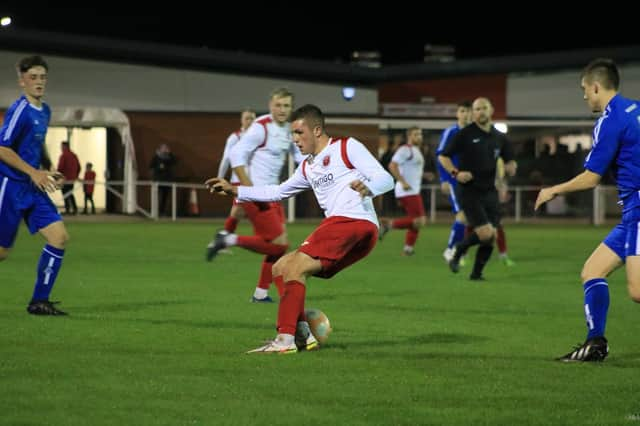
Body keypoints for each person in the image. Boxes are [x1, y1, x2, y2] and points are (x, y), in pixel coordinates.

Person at [205, 104, 394, 353]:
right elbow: (278, 191)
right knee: (280, 267)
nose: (294, 139)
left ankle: (284, 341)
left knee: (294, 267)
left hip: (353, 220)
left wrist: (369, 187)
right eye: (292, 134)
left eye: (299, 133)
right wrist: (236, 189)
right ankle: (304, 334)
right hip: (348, 230)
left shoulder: (346, 147)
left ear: (316, 130)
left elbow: (386, 179)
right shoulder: (308, 166)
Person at [535, 58, 640, 362]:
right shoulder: (635, 108)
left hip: (638, 208)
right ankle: (595, 344)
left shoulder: (610, 120)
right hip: (631, 213)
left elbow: (591, 178)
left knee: (636, 291)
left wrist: (553, 189)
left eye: (585, 90)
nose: (584, 97)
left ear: (596, 87)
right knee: (592, 271)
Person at [205, 88, 305, 303]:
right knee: (279, 245)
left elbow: (299, 156)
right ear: (270, 105)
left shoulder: (291, 129)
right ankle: (228, 239)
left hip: (273, 193)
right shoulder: (261, 127)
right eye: (278, 105)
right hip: (256, 192)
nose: (282, 109)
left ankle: (261, 293)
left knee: (279, 245)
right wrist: (249, 190)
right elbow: (236, 155)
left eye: (286, 106)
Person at [0, 55, 69, 315]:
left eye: (42, 77)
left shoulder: (45, 110)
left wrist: (48, 171)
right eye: (33, 77)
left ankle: (39, 301)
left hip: (32, 187)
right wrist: (33, 172)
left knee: (59, 237)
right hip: (11, 186)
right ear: (22, 81)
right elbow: (2, 148)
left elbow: (35, 145)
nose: (39, 82)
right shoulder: (19, 111)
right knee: (2, 252)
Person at [438, 97, 517, 281]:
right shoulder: (464, 134)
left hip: (490, 191)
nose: (480, 112)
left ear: (491, 110)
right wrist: (455, 173)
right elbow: (444, 157)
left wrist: (511, 166)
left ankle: (476, 274)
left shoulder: (500, 137)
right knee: (485, 232)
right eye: (477, 109)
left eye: (484, 108)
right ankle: (459, 249)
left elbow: (510, 160)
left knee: (492, 236)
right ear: (474, 113)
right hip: (469, 190)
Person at [378, 126, 427, 256]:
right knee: (420, 220)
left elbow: (412, 170)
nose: (419, 137)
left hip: (413, 190)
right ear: (409, 136)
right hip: (407, 191)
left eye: (420, 134)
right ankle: (388, 225)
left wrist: (425, 175)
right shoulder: (405, 149)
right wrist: (403, 182)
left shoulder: (416, 150)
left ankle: (408, 249)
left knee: (415, 221)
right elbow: (392, 165)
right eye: (416, 134)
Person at [437, 101, 472, 263]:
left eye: (468, 111)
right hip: (454, 179)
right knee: (462, 214)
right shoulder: (451, 132)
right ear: (458, 113)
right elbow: (441, 156)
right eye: (463, 111)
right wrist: (444, 179)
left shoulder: (474, 133)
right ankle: (450, 249)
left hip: (471, 181)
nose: (466, 114)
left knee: (468, 216)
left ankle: (460, 249)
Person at [216, 109, 256, 235]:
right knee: (240, 210)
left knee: (243, 211)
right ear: (241, 120)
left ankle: (224, 238)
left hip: (256, 181)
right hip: (239, 180)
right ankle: (224, 238)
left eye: (252, 118)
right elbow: (226, 159)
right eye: (247, 118)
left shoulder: (258, 138)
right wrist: (219, 179)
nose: (250, 121)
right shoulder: (235, 137)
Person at [495, 158, 516, 266]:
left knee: (498, 224)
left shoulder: (500, 157)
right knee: (472, 223)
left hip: (493, 192)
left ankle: (503, 255)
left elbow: (511, 171)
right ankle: (462, 253)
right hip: (480, 191)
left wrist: (510, 167)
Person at [149, 143, 176, 216]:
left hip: (167, 181)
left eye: (165, 148)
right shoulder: (156, 157)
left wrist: (170, 153)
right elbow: (151, 167)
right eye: (163, 148)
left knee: (165, 197)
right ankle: (154, 211)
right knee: (156, 197)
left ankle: (162, 212)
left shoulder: (170, 157)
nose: (164, 150)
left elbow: (174, 162)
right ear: (160, 149)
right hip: (158, 180)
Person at [57, 141, 81, 215]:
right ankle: (75, 209)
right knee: (70, 193)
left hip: (65, 179)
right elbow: (79, 167)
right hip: (72, 179)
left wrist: (57, 176)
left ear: (65, 147)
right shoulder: (74, 155)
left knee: (65, 194)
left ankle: (68, 209)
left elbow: (60, 167)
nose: (61, 148)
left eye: (62, 147)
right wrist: (76, 176)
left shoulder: (63, 155)